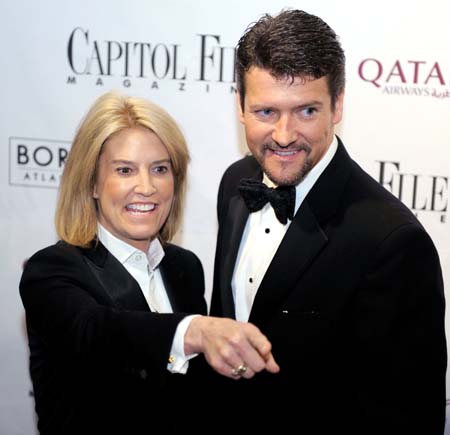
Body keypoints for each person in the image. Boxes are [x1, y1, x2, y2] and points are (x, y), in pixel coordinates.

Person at [209, 9, 447, 435]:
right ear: (240, 107)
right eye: (266, 112)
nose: (283, 135)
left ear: (337, 105)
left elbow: (409, 416)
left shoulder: (392, 241)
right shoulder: (235, 185)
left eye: (305, 111)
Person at [19, 91, 279, 435]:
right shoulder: (51, 271)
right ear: (93, 184)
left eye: (160, 169)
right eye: (125, 170)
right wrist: (196, 330)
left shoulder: (184, 268)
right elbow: (98, 332)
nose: (146, 187)